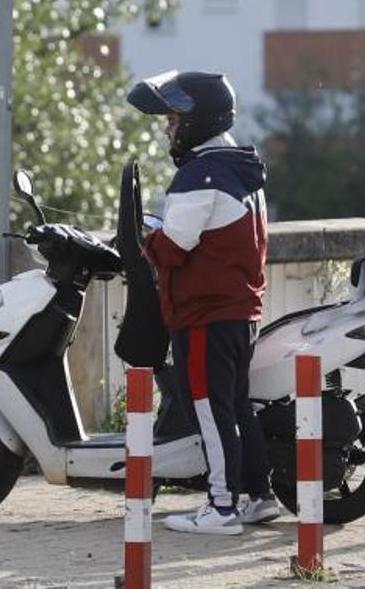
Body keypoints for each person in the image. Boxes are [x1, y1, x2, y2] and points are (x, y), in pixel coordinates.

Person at [126, 70, 278, 535]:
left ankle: (221, 507)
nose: (168, 129)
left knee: (211, 411)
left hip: (205, 315)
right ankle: (260, 495)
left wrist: (148, 237)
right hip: (238, 311)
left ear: (196, 122)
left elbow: (174, 248)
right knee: (235, 408)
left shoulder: (198, 175)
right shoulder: (239, 166)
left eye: (172, 119)